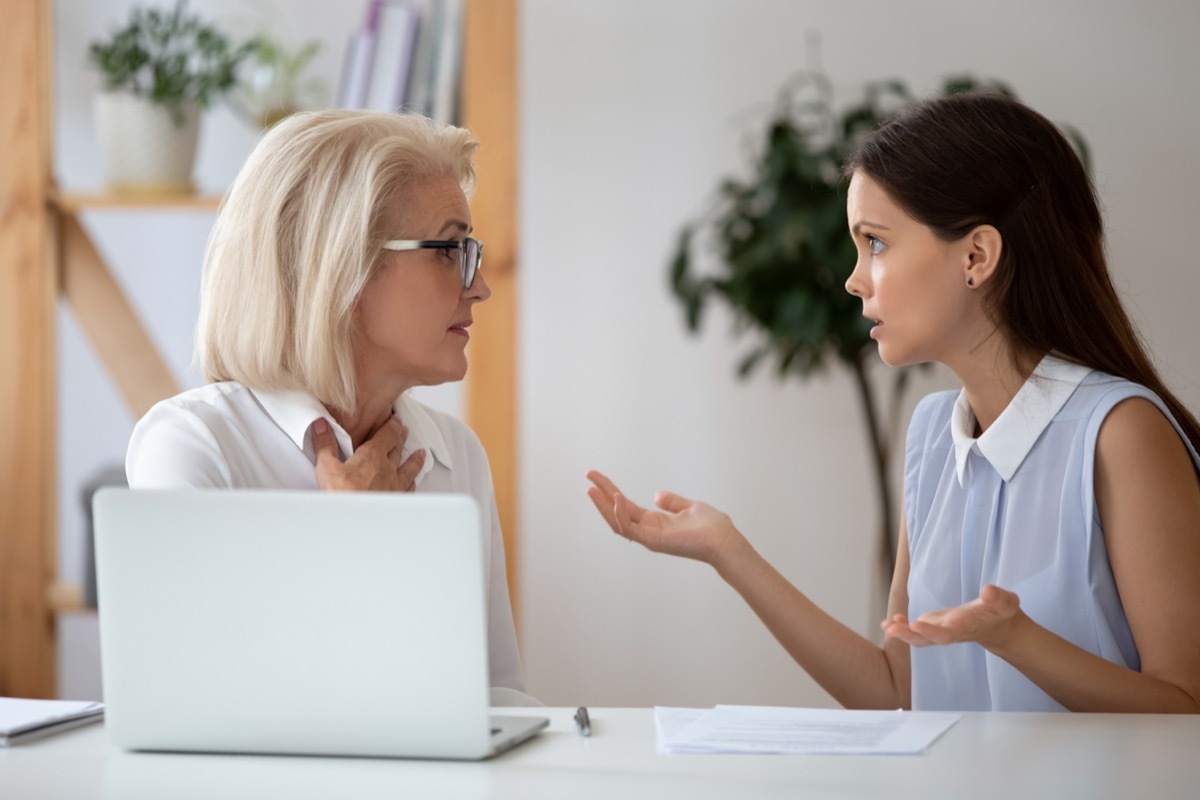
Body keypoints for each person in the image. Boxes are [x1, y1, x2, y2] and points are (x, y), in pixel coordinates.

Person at [587, 93, 1200, 713]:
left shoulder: (1121, 433)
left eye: (875, 243)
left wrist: (1018, 641)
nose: (854, 278)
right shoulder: (933, 434)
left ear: (976, 256)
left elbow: (1184, 708)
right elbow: (896, 691)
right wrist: (728, 551)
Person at [126, 110, 533, 702]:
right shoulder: (193, 449)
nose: (480, 285)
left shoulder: (455, 457)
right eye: (448, 249)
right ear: (341, 268)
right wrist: (345, 540)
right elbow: (185, 707)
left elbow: (498, 703)